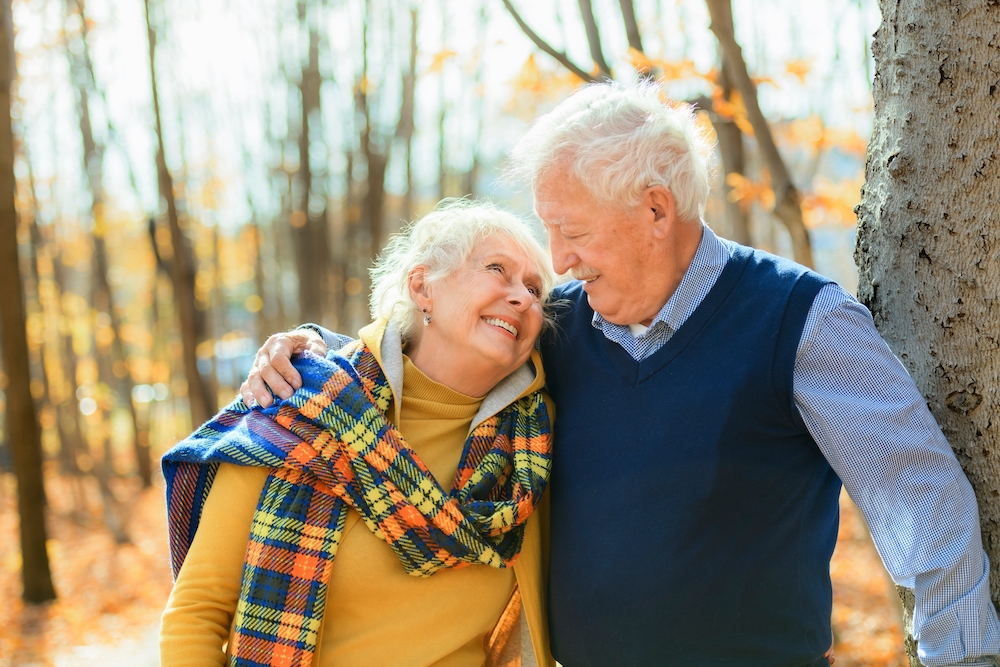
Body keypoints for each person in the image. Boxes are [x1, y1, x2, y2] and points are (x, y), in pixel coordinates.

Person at [241, 82, 1000, 667]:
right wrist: (312, 348)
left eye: (571, 232)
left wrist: (965, 657)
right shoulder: (560, 327)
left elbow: (920, 500)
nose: (557, 259)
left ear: (656, 210)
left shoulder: (800, 321)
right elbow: (430, 360)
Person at [160, 200, 558, 667]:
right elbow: (197, 613)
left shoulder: (531, 448)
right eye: (498, 270)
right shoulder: (300, 407)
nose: (523, 298)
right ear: (422, 285)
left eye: (535, 289)